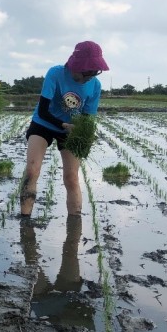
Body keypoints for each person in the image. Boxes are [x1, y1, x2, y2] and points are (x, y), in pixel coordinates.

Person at [20, 41, 109, 219]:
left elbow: (87, 118)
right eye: (85, 73)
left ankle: (74, 224)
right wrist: (63, 125)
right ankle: (25, 220)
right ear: (75, 65)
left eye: (92, 74)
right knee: (32, 170)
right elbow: (43, 110)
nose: (87, 78)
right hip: (44, 123)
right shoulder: (56, 73)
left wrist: (84, 136)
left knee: (71, 178)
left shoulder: (95, 85)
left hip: (71, 131)